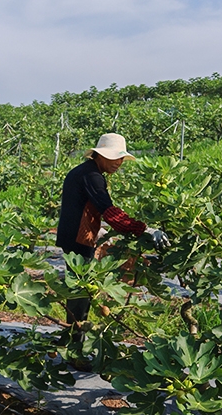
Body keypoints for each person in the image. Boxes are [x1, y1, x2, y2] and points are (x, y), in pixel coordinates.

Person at [56, 133, 169, 323]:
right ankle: (74, 337)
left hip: (74, 234)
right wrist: (145, 229)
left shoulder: (84, 171)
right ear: (99, 155)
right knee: (80, 290)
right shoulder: (92, 176)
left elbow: (80, 206)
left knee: (80, 287)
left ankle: (73, 333)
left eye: (121, 158)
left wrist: (98, 230)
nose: (118, 162)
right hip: (77, 239)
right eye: (114, 157)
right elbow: (110, 212)